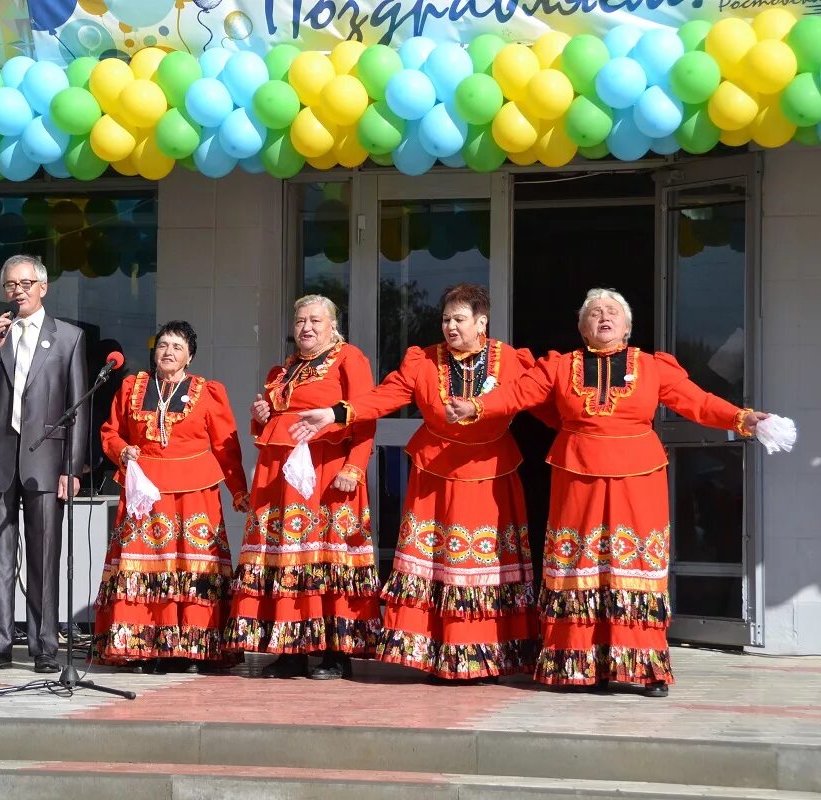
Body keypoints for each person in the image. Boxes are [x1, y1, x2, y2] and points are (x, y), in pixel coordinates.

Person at [446, 288, 769, 697]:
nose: (603, 316)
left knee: (633, 567)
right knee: (577, 564)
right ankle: (577, 665)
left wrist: (741, 418)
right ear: (582, 328)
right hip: (576, 474)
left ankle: (645, 668)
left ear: (627, 327)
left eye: (612, 311)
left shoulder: (653, 367)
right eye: (594, 312)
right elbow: (517, 394)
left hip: (638, 478)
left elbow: (697, 402)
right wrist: (477, 406)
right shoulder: (561, 367)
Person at [292, 284, 544, 682]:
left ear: (482, 322)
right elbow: (385, 396)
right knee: (437, 563)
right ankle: (436, 655)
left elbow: (542, 398)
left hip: (490, 470)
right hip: (435, 474)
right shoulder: (423, 361)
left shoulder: (511, 361)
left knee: (485, 563)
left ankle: (490, 655)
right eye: (445, 319)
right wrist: (340, 413)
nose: (450, 326)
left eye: (459, 319)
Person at [224, 295, 379, 680]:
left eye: (314, 320)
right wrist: (262, 417)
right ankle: (290, 649)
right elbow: (272, 424)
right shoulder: (287, 367)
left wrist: (355, 467)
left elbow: (365, 417)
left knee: (325, 559)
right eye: (299, 321)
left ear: (332, 325)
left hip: (326, 473)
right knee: (283, 557)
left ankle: (333, 653)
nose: (305, 327)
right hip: (280, 478)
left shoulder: (349, 358)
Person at [94, 321, 250, 674]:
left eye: (177, 347)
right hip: (144, 491)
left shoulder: (207, 392)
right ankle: (141, 647)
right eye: (163, 345)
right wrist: (122, 451)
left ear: (189, 356)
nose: (168, 352)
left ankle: (192, 649)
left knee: (191, 567)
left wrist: (239, 490)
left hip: (195, 492)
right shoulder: (132, 387)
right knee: (145, 568)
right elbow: (110, 432)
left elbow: (227, 446)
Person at [0, 254, 87, 674]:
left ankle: (45, 645)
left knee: (44, 555)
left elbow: (78, 408)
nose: (19, 292)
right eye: (11, 285)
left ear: (43, 288)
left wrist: (73, 467)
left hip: (47, 459)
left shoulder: (68, 337)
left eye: (26, 283)